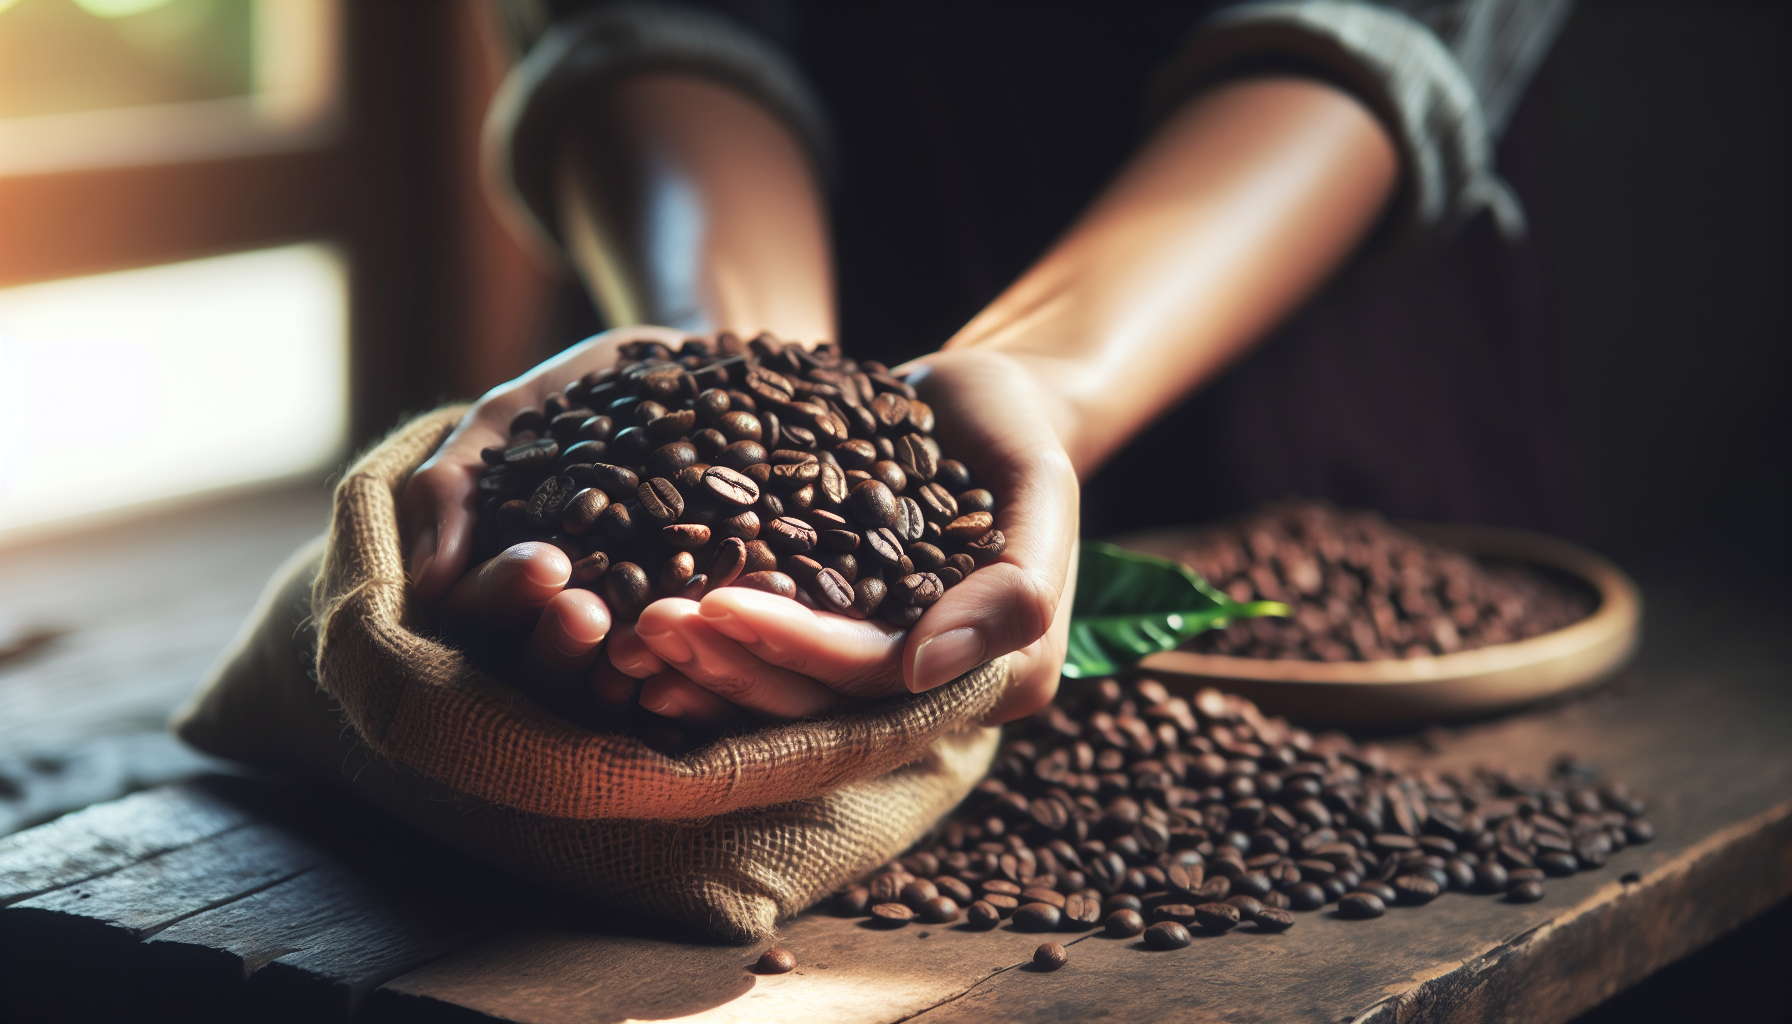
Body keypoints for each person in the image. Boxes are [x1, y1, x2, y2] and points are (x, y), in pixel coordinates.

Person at [400, 0, 1570, 731]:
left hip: (1300, 321)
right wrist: (720, 340)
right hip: (761, 216)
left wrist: (1047, 379)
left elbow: (1383, 30)